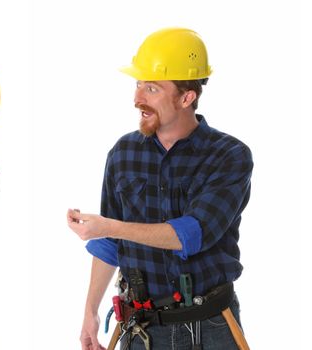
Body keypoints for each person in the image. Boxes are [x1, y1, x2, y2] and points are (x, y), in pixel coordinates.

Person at [67, 28, 253, 350]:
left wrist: (111, 226)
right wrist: (90, 311)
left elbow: (191, 234)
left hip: (210, 327)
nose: (138, 98)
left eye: (151, 88)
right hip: (142, 329)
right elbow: (109, 245)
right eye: (138, 84)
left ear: (186, 97)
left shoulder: (228, 155)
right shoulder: (123, 153)